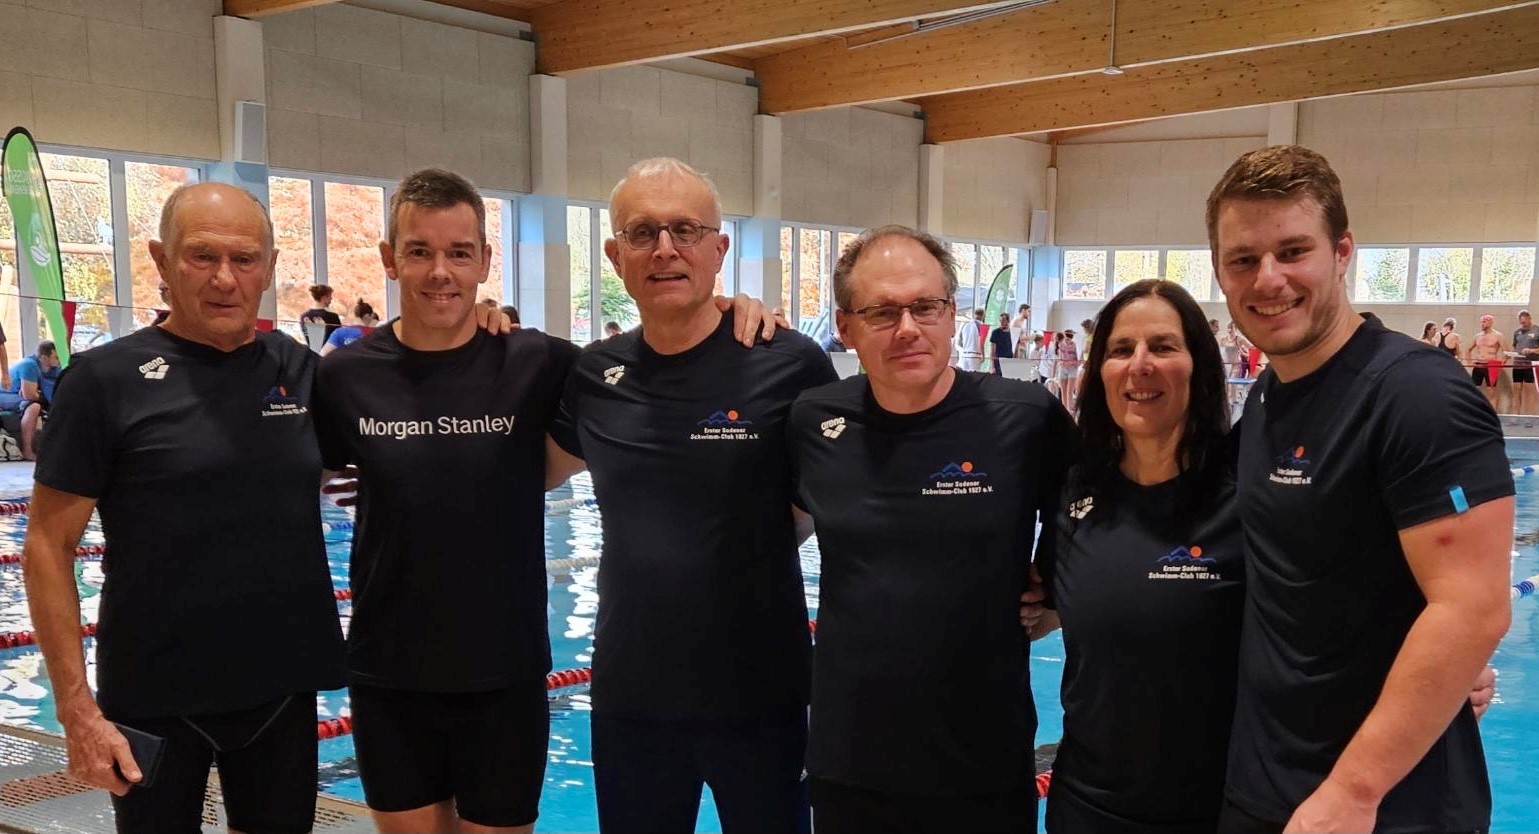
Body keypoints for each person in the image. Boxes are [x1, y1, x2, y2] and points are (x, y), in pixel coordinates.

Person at [21, 182, 347, 833]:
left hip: (280, 689)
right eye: (202, 256)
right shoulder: (104, 381)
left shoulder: (299, 370)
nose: (225, 279)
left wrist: (487, 330)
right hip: (153, 698)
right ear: (162, 260)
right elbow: (47, 547)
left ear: (269, 267)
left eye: (244, 259)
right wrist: (77, 710)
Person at [1208, 145, 1511, 834]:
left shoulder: (1417, 396)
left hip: (1384, 808)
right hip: (1266, 787)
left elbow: (1471, 609)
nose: (1269, 278)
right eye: (1243, 259)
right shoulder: (1268, 396)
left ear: (1342, 252)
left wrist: (1352, 793)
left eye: (1293, 251)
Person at [546, 157, 834, 834]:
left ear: (718, 249)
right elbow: (522, 472)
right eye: (642, 232)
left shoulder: (788, 362)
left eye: (685, 230)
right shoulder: (595, 374)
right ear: (614, 255)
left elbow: (845, 496)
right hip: (632, 695)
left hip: (762, 693)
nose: (665, 249)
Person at [313, 168, 580, 834]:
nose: (440, 271)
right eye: (419, 251)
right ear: (389, 258)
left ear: (485, 261)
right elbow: (294, 476)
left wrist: (733, 311)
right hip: (388, 675)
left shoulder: (538, 362)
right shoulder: (343, 378)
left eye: (459, 253)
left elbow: (654, 358)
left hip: (505, 674)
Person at [787, 226, 1073, 834]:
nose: (907, 328)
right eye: (882, 312)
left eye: (925, 306)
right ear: (846, 327)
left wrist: (1054, 592)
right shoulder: (814, 421)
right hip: (850, 760)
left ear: (951, 315)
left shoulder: (1023, 416)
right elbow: (754, 527)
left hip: (984, 759)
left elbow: (1090, 511)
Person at [1045, 278, 1242, 834]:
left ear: (1199, 365)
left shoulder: (1248, 492)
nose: (1139, 365)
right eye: (1121, 349)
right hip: (1087, 806)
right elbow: (1044, 602)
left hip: (1217, 809)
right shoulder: (1074, 490)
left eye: (1162, 346)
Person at [0, 341, 61, 460]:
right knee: (34, 406)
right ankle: (27, 450)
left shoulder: (54, 368)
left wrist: (37, 393)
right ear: (44, 358)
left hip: (21, 396)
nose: (59, 360)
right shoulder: (29, 365)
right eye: (56, 357)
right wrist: (38, 395)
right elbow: (29, 395)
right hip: (5, 395)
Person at [1469, 313, 1504, 409]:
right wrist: (1470, 362)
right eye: (1482, 322)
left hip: (1491, 365)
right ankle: (1476, 411)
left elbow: (1506, 351)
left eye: (1484, 322)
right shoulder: (1477, 336)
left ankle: (1493, 413)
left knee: (1491, 391)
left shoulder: (1498, 336)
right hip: (1478, 364)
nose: (1482, 324)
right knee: (1475, 390)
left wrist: (1501, 362)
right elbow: (1468, 349)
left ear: (1490, 322)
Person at [1514, 310, 1539, 415]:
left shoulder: (1537, 331)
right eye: (1521, 323)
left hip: (1531, 365)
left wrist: (1531, 350)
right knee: (1517, 390)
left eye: (1524, 322)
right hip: (1517, 364)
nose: (1523, 324)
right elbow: (1515, 346)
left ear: (1529, 318)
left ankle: (1528, 416)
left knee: (1529, 392)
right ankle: (1516, 416)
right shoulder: (1517, 332)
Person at [1057, 329, 1080, 408]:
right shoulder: (1060, 344)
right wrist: (1061, 362)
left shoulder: (1075, 346)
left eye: (1068, 339)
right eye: (1065, 338)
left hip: (1072, 369)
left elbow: (1079, 360)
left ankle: (1069, 410)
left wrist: (1071, 363)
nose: (1066, 341)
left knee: (1069, 392)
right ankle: (1064, 410)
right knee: (1063, 390)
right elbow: (1060, 357)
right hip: (1062, 368)